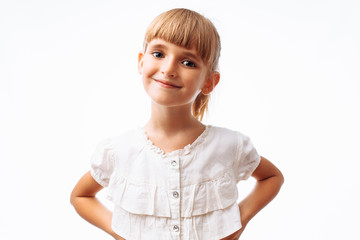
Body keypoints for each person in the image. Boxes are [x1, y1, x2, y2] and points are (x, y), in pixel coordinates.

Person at [70, 8, 284, 240]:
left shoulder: (229, 145)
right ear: (141, 62)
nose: (169, 69)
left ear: (210, 82)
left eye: (187, 62)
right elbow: (80, 196)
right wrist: (121, 231)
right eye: (159, 54)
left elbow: (272, 178)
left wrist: (236, 223)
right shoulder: (119, 150)